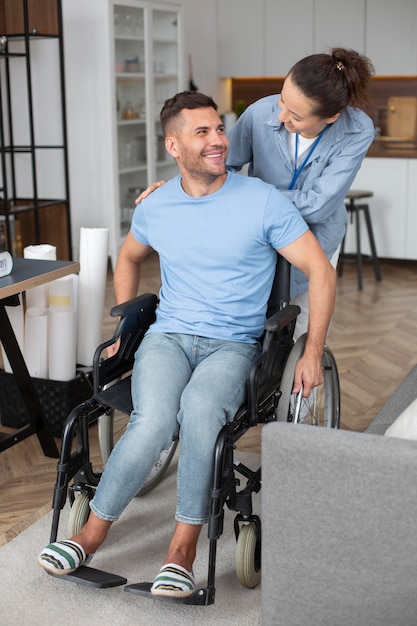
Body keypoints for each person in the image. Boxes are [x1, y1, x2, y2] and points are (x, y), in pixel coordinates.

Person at [38, 91, 336, 598]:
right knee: (152, 421)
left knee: (200, 412)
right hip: (168, 338)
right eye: (203, 132)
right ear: (173, 146)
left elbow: (320, 272)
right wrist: (123, 329)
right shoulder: (157, 205)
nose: (219, 140)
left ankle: (181, 552)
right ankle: (90, 535)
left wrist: (310, 351)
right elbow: (128, 258)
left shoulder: (262, 200)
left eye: (219, 129)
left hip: (233, 345)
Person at [138, 48, 375, 340]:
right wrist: (178, 188)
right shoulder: (260, 112)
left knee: (301, 329)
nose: (282, 115)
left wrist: (253, 199)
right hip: (256, 231)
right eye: (282, 100)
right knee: (254, 316)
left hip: (316, 235)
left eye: (296, 115)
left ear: (331, 117)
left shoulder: (356, 130)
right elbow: (218, 166)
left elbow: (318, 206)